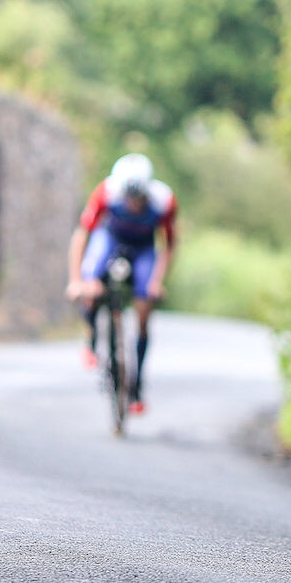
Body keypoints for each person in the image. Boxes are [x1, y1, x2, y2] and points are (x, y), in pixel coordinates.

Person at [66, 152, 178, 414]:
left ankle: (137, 386)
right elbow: (83, 234)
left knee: (143, 310)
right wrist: (77, 280)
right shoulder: (105, 192)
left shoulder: (165, 201)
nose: (132, 204)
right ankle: (92, 339)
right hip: (111, 239)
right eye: (128, 198)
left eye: (137, 198)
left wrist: (156, 282)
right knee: (92, 284)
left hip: (144, 248)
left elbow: (169, 245)